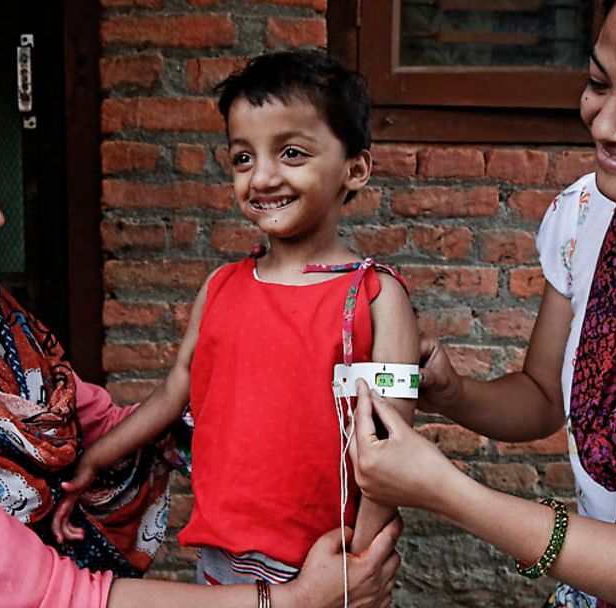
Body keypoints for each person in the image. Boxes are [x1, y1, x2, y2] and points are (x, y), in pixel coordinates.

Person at [0, 58, 401, 608]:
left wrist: (351, 551)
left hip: (309, 546)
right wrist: (299, 600)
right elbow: (52, 596)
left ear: (356, 168)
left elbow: (129, 420)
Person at [350, 0, 616, 606]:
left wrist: (448, 490)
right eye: (596, 83)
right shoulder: (589, 217)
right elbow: (542, 396)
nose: (606, 125)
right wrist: (451, 392)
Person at [52, 49, 420, 587]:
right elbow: (175, 389)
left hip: (325, 562)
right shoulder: (222, 286)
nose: (262, 177)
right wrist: (96, 459)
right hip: (221, 560)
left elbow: (390, 447)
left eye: (291, 152)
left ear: (355, 169)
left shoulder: (373, 298)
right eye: (242, 158)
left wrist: (356, 566)